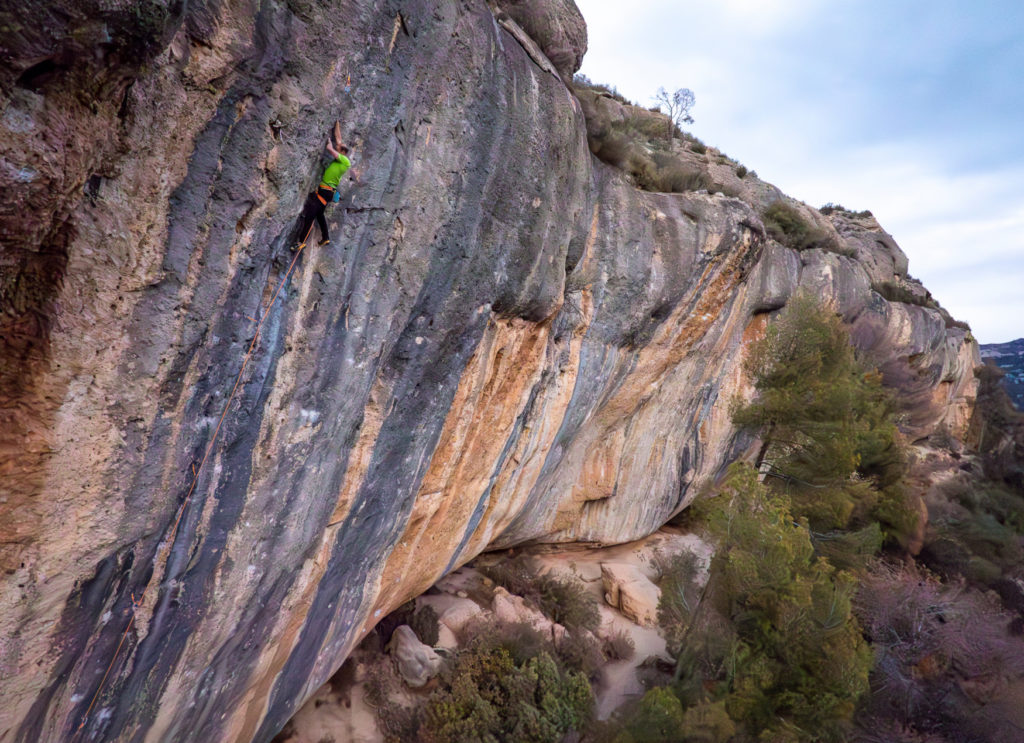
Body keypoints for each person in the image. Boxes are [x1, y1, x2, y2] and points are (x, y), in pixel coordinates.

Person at [295, 139, 350, 249]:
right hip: (327, 192)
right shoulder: (339, 161)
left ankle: (301, 242)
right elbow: (338, 138)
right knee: (319, 215)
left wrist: (329, 142)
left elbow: (330, 149)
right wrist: (337, 123)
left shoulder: (345, 161)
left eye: (339, 149)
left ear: (343, 152)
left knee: (310, 215)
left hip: (325, 191)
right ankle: (325, 237)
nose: (336, 149)